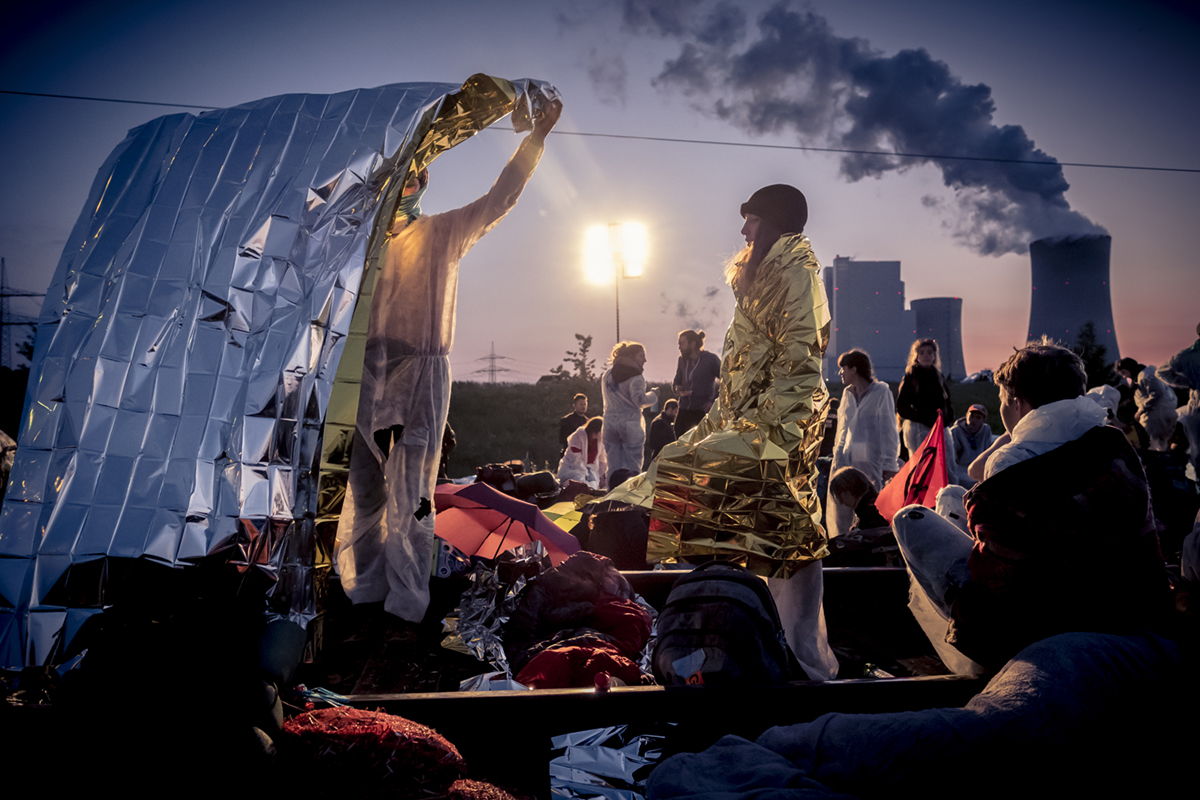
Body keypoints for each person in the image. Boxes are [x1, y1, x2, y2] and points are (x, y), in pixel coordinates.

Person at [334, 98, 563, 623]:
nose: (404, 185)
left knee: (411, 493)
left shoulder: (441, 233)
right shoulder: (358, 247)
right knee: (365, 489)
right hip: (363, 375)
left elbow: (500, 199)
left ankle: (405, 604)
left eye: (413, 176)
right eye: (397, 177)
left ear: (422, 183)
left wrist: (535, 141)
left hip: (419, 378)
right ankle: (364, 594)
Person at [637, 183, 837, 680]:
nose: (743, 228)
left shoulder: (795, 275)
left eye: (751, 219)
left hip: (778, 430)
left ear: (772, 222)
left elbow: (797, 362)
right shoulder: (764, 278)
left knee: (789, 545)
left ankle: (802, 666)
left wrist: (765, 431)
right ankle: (772, 654)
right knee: (761, 544)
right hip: (754, 424)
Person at [894, 339, 1172, 671]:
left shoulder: (1013, 462)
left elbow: (997, 575)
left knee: (910, 519)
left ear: (1018, 403)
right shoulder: (1112, 441)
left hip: (1039, 623)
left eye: (1002, 400)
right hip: (1126, 602)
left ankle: (970, 666)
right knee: (953, 496)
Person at [828, 348, 900, 538]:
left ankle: (870, 539)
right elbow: (842, 429)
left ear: (854, 369)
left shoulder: (881, 392)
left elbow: (888, 429)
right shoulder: (847, 394)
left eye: (843, 368)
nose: (840, 373)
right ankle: (842, 541)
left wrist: (889, 463)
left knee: (869, 500)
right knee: (842, 502)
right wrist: (838, 457)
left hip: (871, 458)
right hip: (847, 458)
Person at [601, 341, 658, 481]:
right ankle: (631, 492)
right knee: (633, 464)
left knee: (613, 464)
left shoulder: (607, 375)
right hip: (630, 424)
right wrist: (654, 395)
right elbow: (639, 400)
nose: (645, 360)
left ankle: (612, 491)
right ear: (631, 357)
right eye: (641, 356)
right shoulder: (636, 377)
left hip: (609, 423)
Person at [897, 338, 954, 457]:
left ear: (934, 355)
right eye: (921, 353)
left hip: (939, 427)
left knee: (946, 460)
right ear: (916, 356)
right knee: (922, 462)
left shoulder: (939, 377)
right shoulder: (911, 377)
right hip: (918, 429)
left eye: (929, 352)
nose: (926, 356)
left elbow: (946, 401)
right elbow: (902, 407)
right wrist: (922, 418)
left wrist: (948, 417)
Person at [671, 329, 721, 435]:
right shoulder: (682, 360)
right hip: (683, 413)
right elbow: (676, 381)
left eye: (682, 344)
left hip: (702, 412)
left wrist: (713, 402)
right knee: (681, 443)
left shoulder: (711, 360)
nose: (679, 347)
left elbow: (727, 381)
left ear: (692, 344)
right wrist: (677, 388)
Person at [948, 404, 993, 488]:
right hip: (960, 470)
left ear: (984, 420)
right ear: (966, 416)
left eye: (978, 418)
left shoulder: (986, 430)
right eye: (971, 416)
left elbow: (987, 452)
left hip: (978, 469)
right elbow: (951, 460)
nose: (973, 420)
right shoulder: (955, 431)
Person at [557, 417, 607, 491]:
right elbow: (575, 459)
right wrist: (585, 473)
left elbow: (602, 460)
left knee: (595, 486)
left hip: (591, 469)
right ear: (596, 431)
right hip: (574, 468)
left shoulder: (600, 442)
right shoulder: (578, 437)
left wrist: (602, 476)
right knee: (579, 482)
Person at [645, 398, 679, 468]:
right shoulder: (659, 423)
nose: (676, 414)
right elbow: (654, 443)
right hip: (661, 457)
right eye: (675, 411)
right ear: (670, 409)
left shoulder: (664, 421)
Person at [558, 393, 588, 458]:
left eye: (585, 404)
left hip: (584, 457)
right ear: (574, 405)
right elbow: (562, 439)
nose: (583, 407)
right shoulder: (566, 420)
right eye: (581, 404)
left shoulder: (588, 422)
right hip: (570, 456)